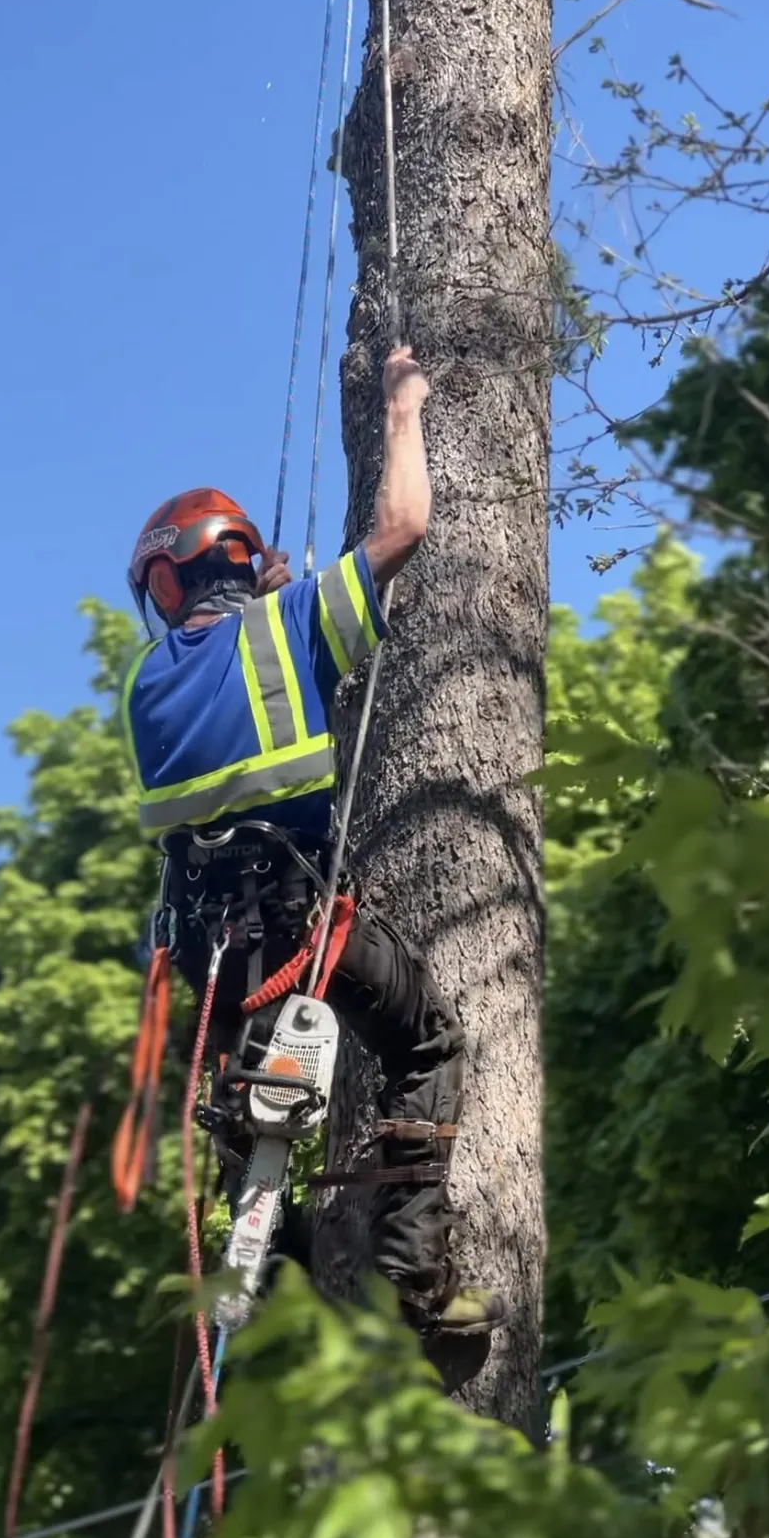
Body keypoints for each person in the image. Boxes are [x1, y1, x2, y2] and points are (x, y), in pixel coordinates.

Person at [120, 347, 506, 1337]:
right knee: (425, 1042)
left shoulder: (145, 686)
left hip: (209, 956)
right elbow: (405, 527)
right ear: (239, 560)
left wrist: (273, 600)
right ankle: (413, 1277)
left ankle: (281, 1251)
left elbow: (226, 685)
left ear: (170, 583)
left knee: (247, 1110)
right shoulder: (286, 626)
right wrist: (404, 407)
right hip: (297, 924)